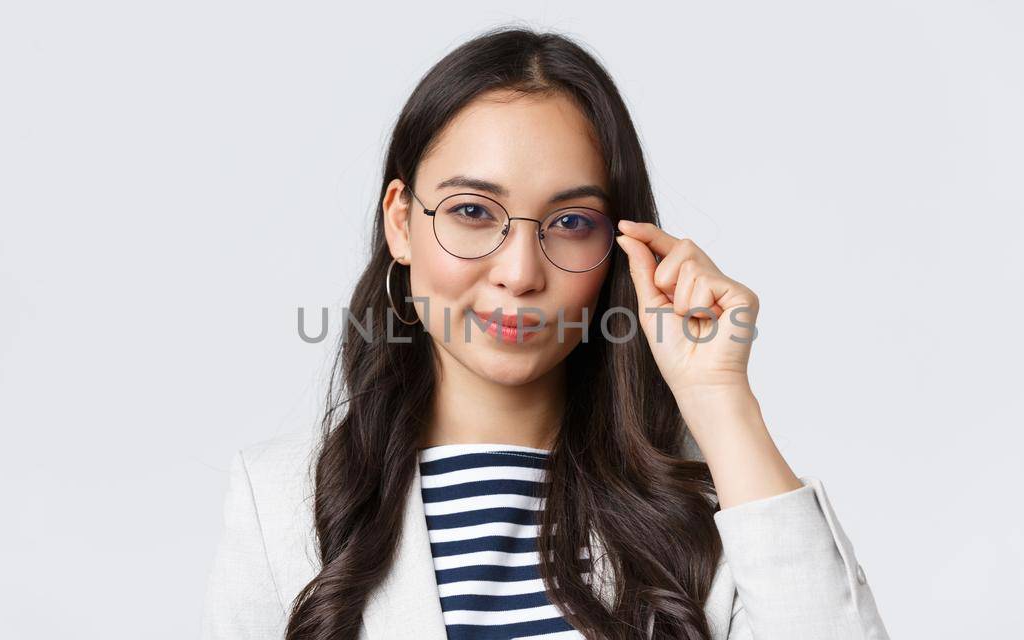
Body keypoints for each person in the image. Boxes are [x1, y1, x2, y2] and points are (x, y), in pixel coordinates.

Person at [200, 26, 890, 640]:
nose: (521, 273)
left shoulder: (714, 506)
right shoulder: (282, 501)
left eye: (570, 223)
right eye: (473, 211)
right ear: (402, 222)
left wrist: (720, 399)